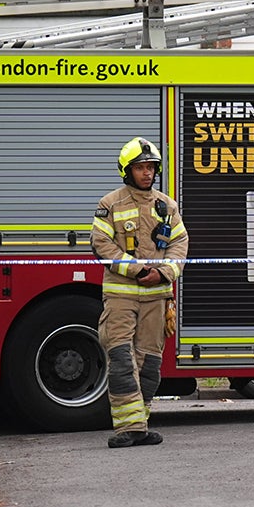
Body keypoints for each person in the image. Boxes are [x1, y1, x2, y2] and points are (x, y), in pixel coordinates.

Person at [89, 138, 188, 448]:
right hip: (121, 295)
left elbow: (180, 245)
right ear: (126, 170)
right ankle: (127, 428)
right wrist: (138, 271)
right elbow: (101, 245)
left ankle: (139, 424)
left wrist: (162, 273)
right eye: (140, 168)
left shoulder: (167, 206)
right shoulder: (110, 204)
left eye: (150, 168)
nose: (147, 173)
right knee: (120, 358)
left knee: (149, 364)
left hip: (157, 296)